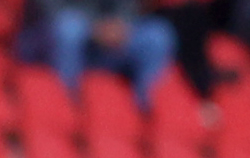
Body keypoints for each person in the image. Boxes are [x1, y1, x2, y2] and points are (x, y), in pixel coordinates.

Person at [16, 0, 181, 103]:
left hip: (95, 45)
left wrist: (119, 25)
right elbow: (50, 11)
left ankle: (141, 105)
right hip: (45, 41)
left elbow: (126, 8)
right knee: (69, 28)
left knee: (158, 35)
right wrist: (95, 26)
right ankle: (65, 101)